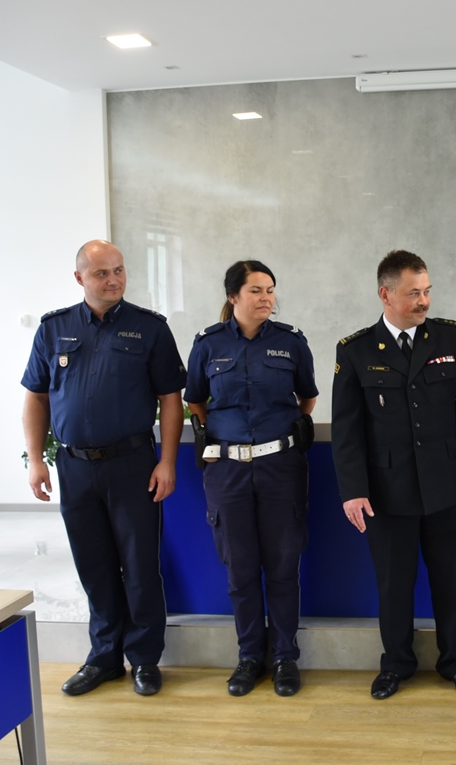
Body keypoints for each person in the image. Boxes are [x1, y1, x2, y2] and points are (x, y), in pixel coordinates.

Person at [22, 240, 186, 697]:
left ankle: (145, 659)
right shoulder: (54, 329)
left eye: (119, 270)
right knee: (93, 566)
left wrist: (167, 461)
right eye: (101, 273)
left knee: (139, 566)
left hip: (133, 465)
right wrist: (35, 460)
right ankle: (104, 657)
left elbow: (170, 399)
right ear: (80, 278)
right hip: (75, 467)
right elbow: (36, 396)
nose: (113, 280)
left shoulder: (150, 328)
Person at [332, 249, 456, 701]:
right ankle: (396, 665)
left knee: (451, 581)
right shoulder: (356, 350)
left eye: (426, 291)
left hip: (447, 486)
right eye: (413, 293)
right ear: (385, 295)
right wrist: (353, 491)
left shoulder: (452, 338)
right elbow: (347, 431)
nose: (423, 301)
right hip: (387, 492)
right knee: (393, 585)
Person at [185, 260, 318, 698]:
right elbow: (196, 402)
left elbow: (307, 397)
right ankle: (249, 657)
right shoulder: (207, 344)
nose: (266, 298)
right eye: (256, 290)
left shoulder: (290, 342)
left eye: (270, 290)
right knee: (240, 569)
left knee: (283, 566)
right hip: (227, 471)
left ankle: (284, 657)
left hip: (280, 467)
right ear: (233, 296)